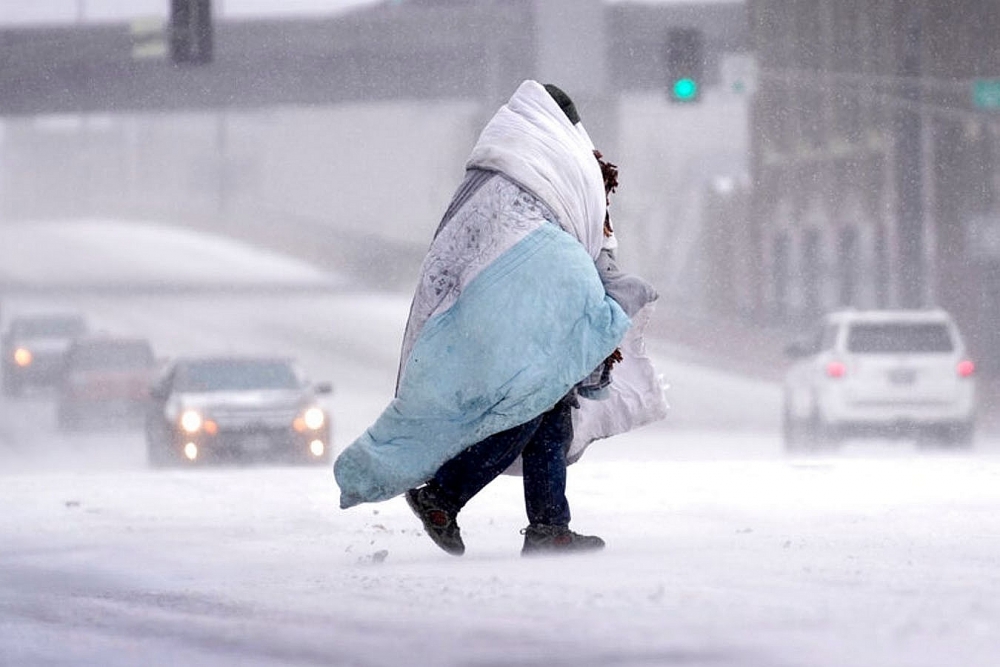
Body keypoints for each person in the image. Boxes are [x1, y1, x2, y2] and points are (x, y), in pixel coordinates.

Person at [333, 80, 666, 556]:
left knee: (549, 407)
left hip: (488, 304)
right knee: (531, 402)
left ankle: (549, 525)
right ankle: (443, 495)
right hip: (518, 305)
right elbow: (578, 238)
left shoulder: (499, 168)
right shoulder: (558, 164)